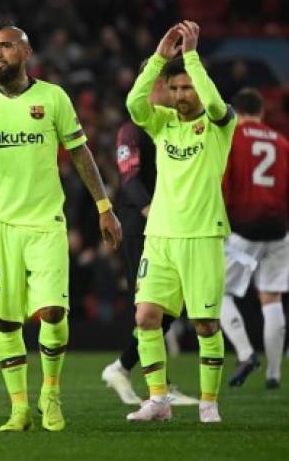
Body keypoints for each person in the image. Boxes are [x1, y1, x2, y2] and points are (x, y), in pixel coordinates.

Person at [0, 22, 122, 432]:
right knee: (6, 321)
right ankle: (20, 407)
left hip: (46, 221)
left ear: (26, 52)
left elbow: (80, 154)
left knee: (53, 312)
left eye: (5, 47)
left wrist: (103, 207)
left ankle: (51, 393)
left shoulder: (53, 98)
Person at [125, 21, 237, 424]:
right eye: (175, 89)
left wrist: (190, 55)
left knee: (205, 323)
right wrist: (159, 56)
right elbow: (134, 104)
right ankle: (158, 400)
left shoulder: (220, 125)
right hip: (160, 237)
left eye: (186, 88)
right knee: (145, 318)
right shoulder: (162, 123)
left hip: (203, 234)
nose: (180, 95)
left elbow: (215, 103)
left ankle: (209, 402)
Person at [101, 71, 197, 406]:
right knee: (150, 304)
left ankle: (123, 367)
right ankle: (157, 383)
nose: (173, 91)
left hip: (172, 225)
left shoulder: (174, 125)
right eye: (166, 84)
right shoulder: (133, 128)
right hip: (140, 223)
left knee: (173, 302)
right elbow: (129, 178)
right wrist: (150, 211)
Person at [220, 88, 288, 390]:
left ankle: (246, 353)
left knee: (217, 294)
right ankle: (274, 374)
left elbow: (223, 182)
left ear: (237, 111)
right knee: (271, 297)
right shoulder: (283, 143)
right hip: (278, 229)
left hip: (243, 229)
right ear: (261, 112)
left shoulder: (232, 138)